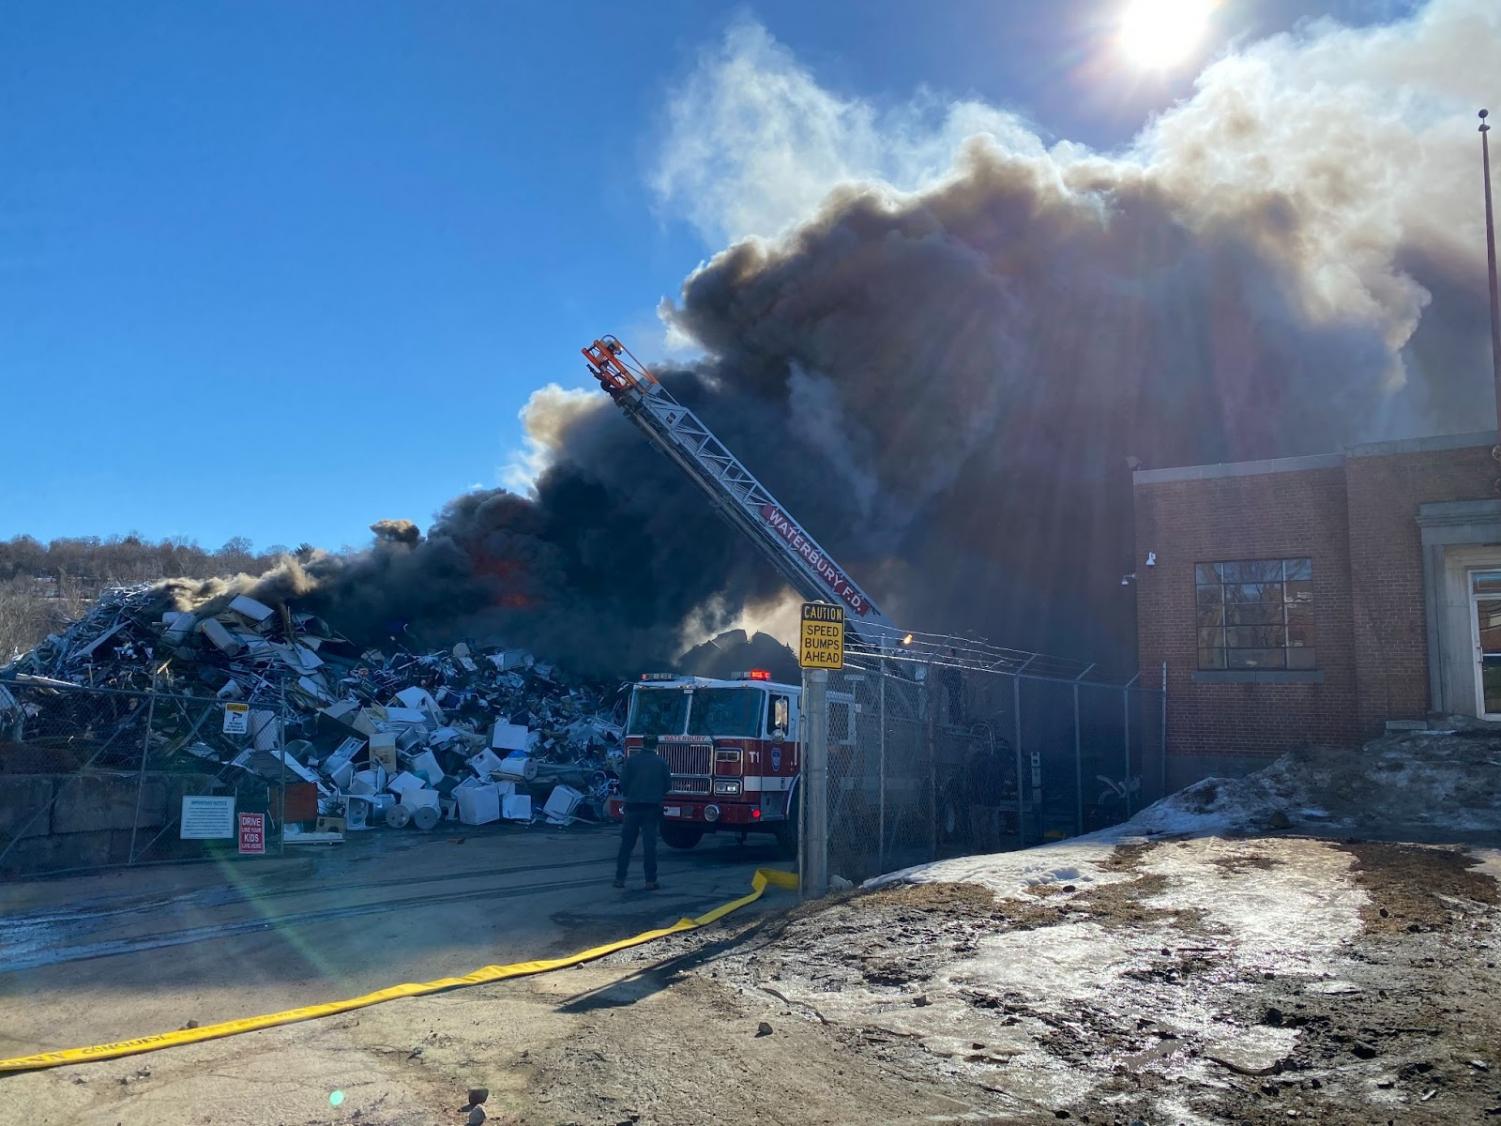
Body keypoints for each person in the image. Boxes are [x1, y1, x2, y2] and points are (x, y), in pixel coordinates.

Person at [614, 733, 672, 889]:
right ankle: (650, 881)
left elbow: (623, 783)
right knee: (650, 846)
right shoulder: (661, 763)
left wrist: (631, 794)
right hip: (651, 809)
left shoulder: (631, 762)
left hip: (632, 807)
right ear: (656, 745)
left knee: (626, 844)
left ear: (642, 743)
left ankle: (620, 879)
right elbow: (668, 785)